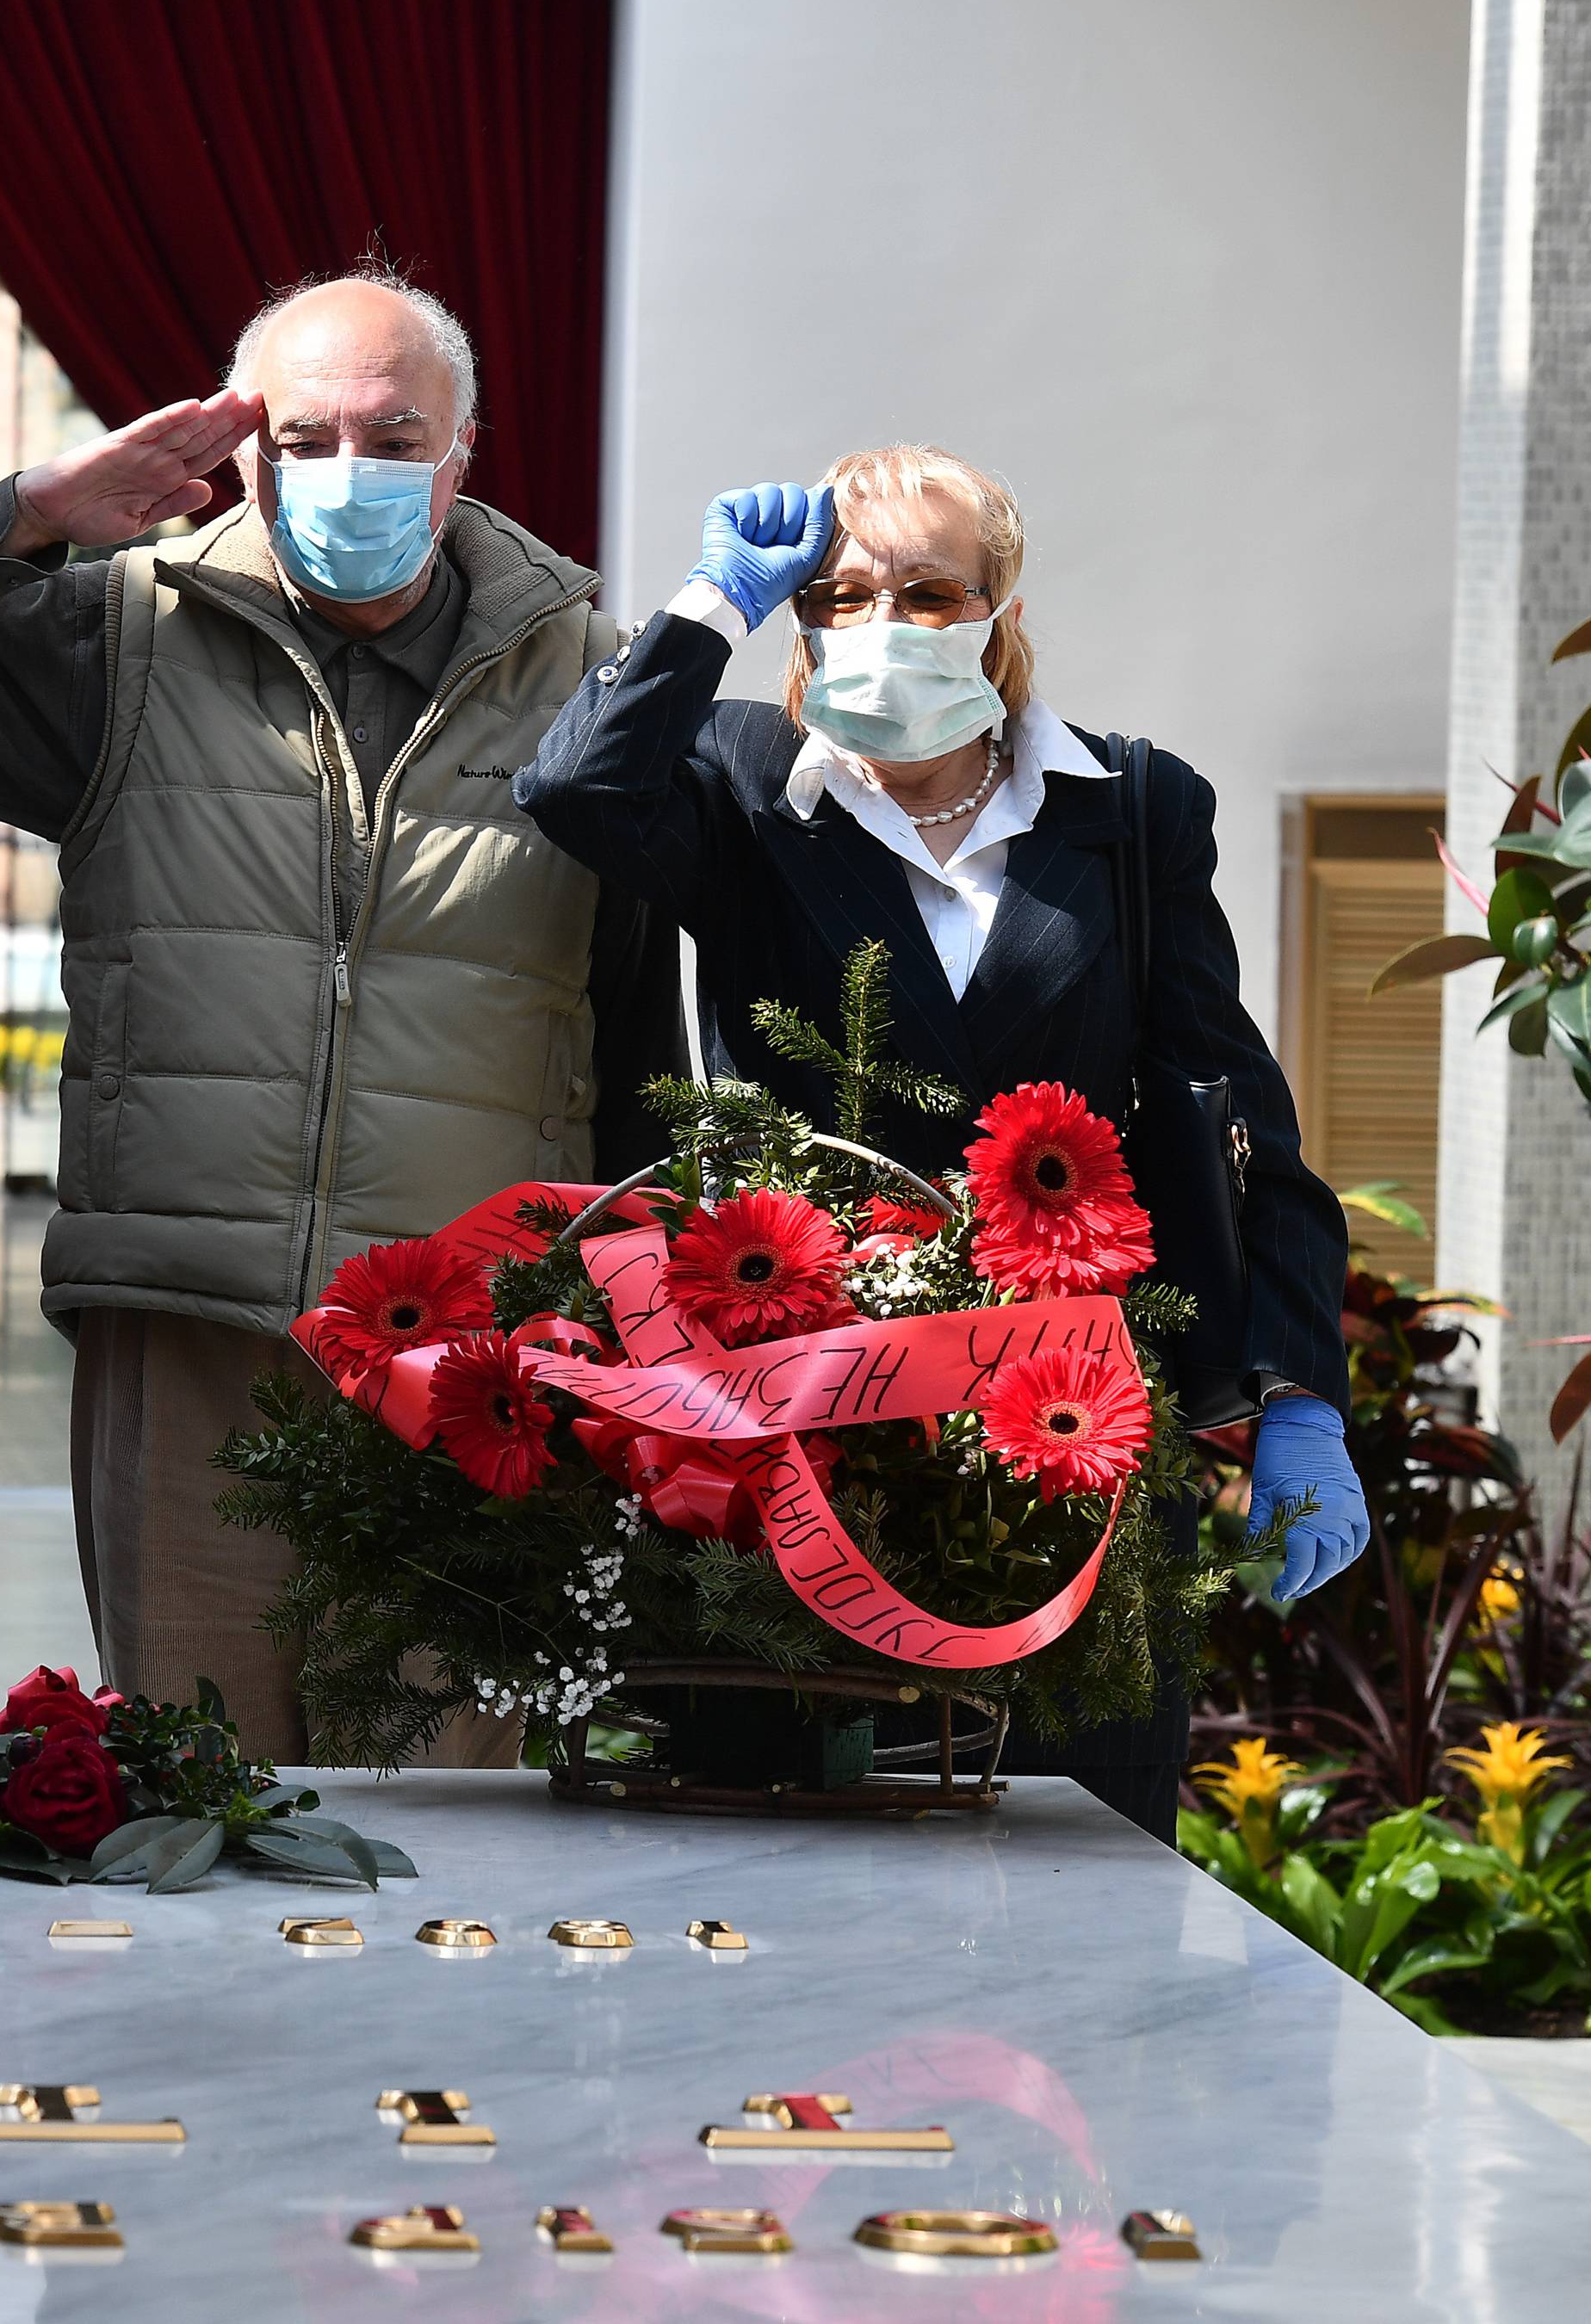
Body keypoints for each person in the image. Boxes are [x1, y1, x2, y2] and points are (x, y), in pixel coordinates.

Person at [517, 443, 1367, 1842]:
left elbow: (1228, 1102)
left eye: (926, 592)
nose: (879, 628)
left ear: (1001, 613)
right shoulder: (743, 782)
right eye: (838, 599)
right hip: (792, 1437)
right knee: (789, 1867)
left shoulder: (1131, 808)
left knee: (1081, 1874)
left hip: (1072, 1433)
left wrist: (1297, 1394)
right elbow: (576, 793)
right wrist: (711, 601)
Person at [0, 267, 675, 1763]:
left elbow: (638, 1019)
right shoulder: (119, 637)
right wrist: (14, 521)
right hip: (195, 1320)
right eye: (307, 440)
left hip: (475, 1356)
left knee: (455, 1824)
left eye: (397, 438)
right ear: (243, 451)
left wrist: (630, 1322)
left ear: (466, 448)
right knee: (211, 1793)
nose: (354, 476)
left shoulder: (593, 683)